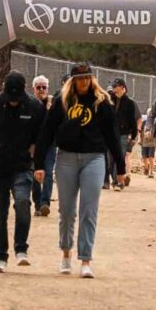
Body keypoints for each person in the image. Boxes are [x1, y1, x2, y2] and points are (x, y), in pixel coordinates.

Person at [34, 61, 124, 278]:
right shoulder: (62, 102)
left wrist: (120, 168)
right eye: (79, 79)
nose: (84, 82)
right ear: (73, 81)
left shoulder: (102, 103)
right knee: (66, 211)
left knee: (88, 210)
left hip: (94, 158)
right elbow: (46, 133)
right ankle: (66, 254)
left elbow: (113, 136)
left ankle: (85, 259)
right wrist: (38, 164)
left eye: (87, 78)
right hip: (66, 158)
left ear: (91, 79)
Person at [0, 71, 44, 272]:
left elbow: (39, 136)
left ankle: (21, 249)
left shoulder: (34, 106)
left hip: (22, 166)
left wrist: (32, 157)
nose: (13, 103)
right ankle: (0, 256)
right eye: (10, 99)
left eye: (17, 99)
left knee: (23, 203)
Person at [30, 75, 56, 215]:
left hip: (50, 144)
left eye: (44, 87)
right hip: (34, 144)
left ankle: (45, 202)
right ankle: (37, 204)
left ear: (47, 88)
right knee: (34, 172)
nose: (41, 90)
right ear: (33, 89)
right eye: (38, 87)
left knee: (48, 172)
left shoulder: (52, 104)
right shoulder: (30, 104)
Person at [110, 77, 141, 187]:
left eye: (116, 86)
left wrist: (133, 136)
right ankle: (115, 180)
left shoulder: (129, 103)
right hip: (110, 134)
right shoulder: (110, 100)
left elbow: (133, 121)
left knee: (120, 157)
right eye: (113, 86)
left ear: (122, 87)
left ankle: (119, 182)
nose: (114, 89)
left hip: (123, 134)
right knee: (111, 159)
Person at [140, 105, 156, 177]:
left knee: (151, 157)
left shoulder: (155, 123)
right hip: (144, 142)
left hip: (152, 143)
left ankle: (151, 171)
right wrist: (140, 140)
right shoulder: (144, 122)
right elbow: (140, 131)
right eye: (148, 113)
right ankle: (146, 168)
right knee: (144, 157)